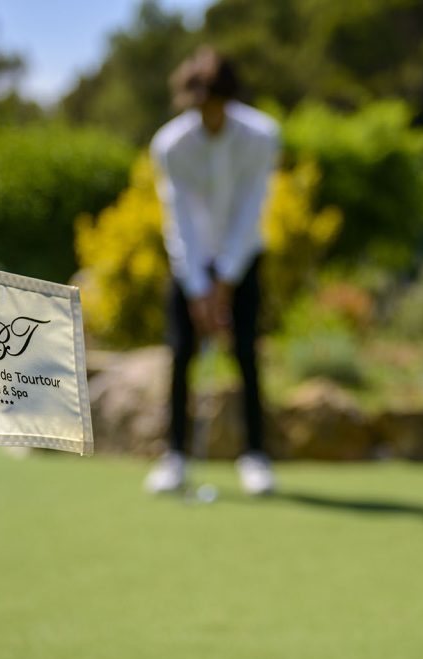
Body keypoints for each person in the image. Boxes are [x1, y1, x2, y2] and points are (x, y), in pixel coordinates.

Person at [144, 47, 279, 496]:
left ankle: (255, 456)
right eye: (201, 107)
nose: (209, 115)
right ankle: (175, 456)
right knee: (181, 352)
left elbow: (251, 210)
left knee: (245, 351)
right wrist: (199, 288)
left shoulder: (261, 137)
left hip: (243, 256)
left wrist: (226, 281)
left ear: (230, 99)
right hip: (190, 260)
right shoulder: (171, 145)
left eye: (216, 105)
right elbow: (177, 217)